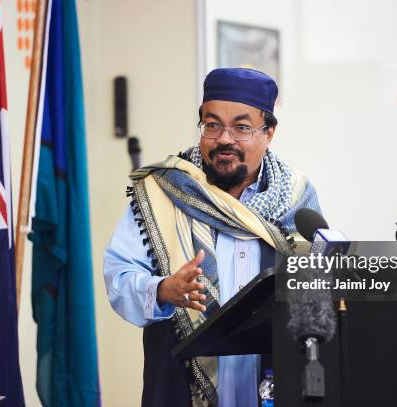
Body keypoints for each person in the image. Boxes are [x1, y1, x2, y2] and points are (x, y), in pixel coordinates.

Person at [104, 68, 321, 407]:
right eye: (213, 124)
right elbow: (119, 278)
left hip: (273, 386)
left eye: (242, 127)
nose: (224, 139)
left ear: (270, 133)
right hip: (181, 387)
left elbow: (317, 278)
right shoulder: (163, 191)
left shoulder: (295, 197)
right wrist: (163, 290)